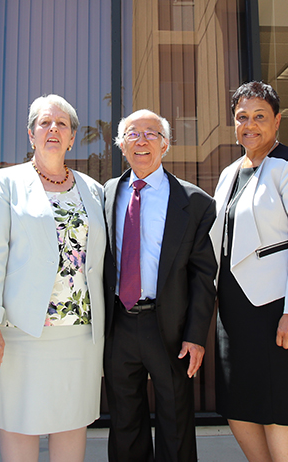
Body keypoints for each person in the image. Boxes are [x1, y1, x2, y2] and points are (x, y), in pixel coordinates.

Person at [0, 95, 106, 462]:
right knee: (19, 430)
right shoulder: (6, 182)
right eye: (44, 123)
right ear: (31, 134)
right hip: (20, 334)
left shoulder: (93, 191)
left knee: (71, 431)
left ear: (73, 137)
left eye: (62, 124)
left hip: (79, 334)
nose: (53, 130)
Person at [209, 81, 288, 462]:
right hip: (235, 309)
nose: (250, 124)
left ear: (277, 120)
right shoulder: (230, 172)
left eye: (260, 116)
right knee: (240, 406)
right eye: (242, 117)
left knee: (280, 409)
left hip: (279, 306)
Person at [103, 109, 217, 462]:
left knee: (176, 418)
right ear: (121, 145)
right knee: (124, 420)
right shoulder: (105, 195)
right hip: (118, 323)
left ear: (165, 145)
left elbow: (203, 276)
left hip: (168, 326)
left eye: (151, 134)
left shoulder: (195, 202)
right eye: (133, 134)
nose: (142, 141)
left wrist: (196, 335)